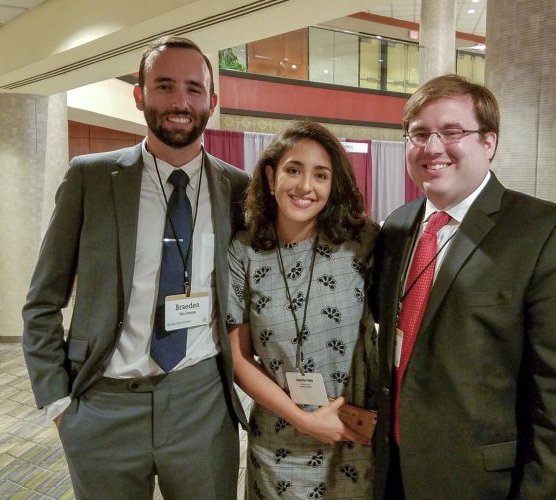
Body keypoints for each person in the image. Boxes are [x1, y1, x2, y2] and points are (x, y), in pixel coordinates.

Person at [21, 36, 249, 499]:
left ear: (212, 101)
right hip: (103, 406)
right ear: (140, 94)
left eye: (193, 88)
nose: (180, 102)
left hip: (201, 404)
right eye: (164, 86)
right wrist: (58, 403)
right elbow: (43, 300)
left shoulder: (239, 189)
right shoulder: (91, 177)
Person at [371, 74, 556, 499]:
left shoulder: (546, 232)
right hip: (392, 475)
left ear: (488, 143)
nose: (432, 147)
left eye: (452, 131)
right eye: (419, 134)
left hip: (484, 485)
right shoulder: (398, 225)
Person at [226, 121, 378, 499]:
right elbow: (238, 358)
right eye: (293, 170)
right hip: (277, 441)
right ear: (270, 174)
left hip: (351, 435)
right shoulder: (244, 251)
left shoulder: (362, 243)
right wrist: (304, 419)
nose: (305, 187)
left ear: (334, 184)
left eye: (320, 175)